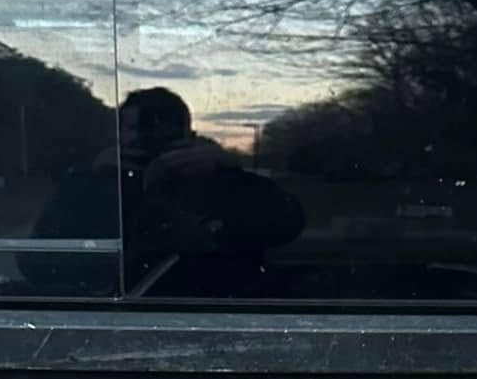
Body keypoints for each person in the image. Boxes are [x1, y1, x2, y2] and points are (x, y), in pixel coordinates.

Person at [32, 88, 304, 294]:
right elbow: (40, 261)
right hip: (122, 313)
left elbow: (288, 223)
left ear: (191, 136)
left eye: (165, 133)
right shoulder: (94, 183)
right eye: (134, 130)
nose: (147, 142)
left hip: (215, 313)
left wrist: (222, 174)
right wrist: (100, 183)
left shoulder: (220, 179)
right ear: (118, 137)